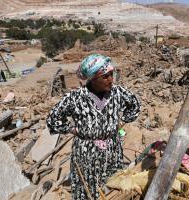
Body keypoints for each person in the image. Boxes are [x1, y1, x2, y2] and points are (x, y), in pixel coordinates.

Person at [46, 54, 141, 200]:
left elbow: (135, 105)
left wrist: (122, 121)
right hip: (85, 153)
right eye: (105, 76)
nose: (111, 79)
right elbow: (53, 118)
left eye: (111, 74)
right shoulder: (75, 97)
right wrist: (72, 129)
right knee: (86, 189)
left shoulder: (118, 93)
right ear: (93, 79)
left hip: (112, 151)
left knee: (112, 187)